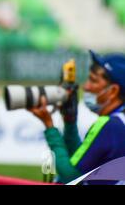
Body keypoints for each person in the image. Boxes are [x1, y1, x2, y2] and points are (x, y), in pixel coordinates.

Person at [29, 50, 125, 184]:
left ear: (113, 91)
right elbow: (82, 164)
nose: (86, 87)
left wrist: (49, 126)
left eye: (93, 81)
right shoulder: (119, 123)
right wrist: (70, 123)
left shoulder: (109, 125)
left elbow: (71, 177)